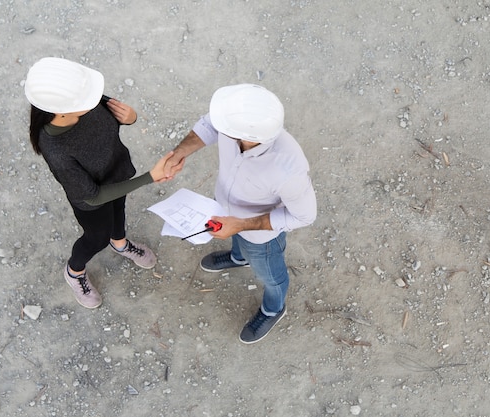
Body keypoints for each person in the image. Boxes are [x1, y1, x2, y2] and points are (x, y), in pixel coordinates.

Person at [163, 84, 317, 344]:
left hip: (261, 237)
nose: (219, 125)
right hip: (224, 208)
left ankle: (273, 308)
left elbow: (304, 216)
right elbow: (210, 124)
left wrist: (241, 224)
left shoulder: (289, 170)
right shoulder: (236, 122)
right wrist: (178, 153)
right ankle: (238, 257)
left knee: (271, 275)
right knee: (237, 242)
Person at [24, 57, 181, 309]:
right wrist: (150, 177)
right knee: (96, 237)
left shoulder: (84, 99)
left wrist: (130, 117)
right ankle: (74, 272)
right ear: (61, 110)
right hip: (91, 200)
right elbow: (94, 196)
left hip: (117, 173)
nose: (96, 98)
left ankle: (119, 243)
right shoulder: (57, 150)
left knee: (119, 210)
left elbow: (115, 117)